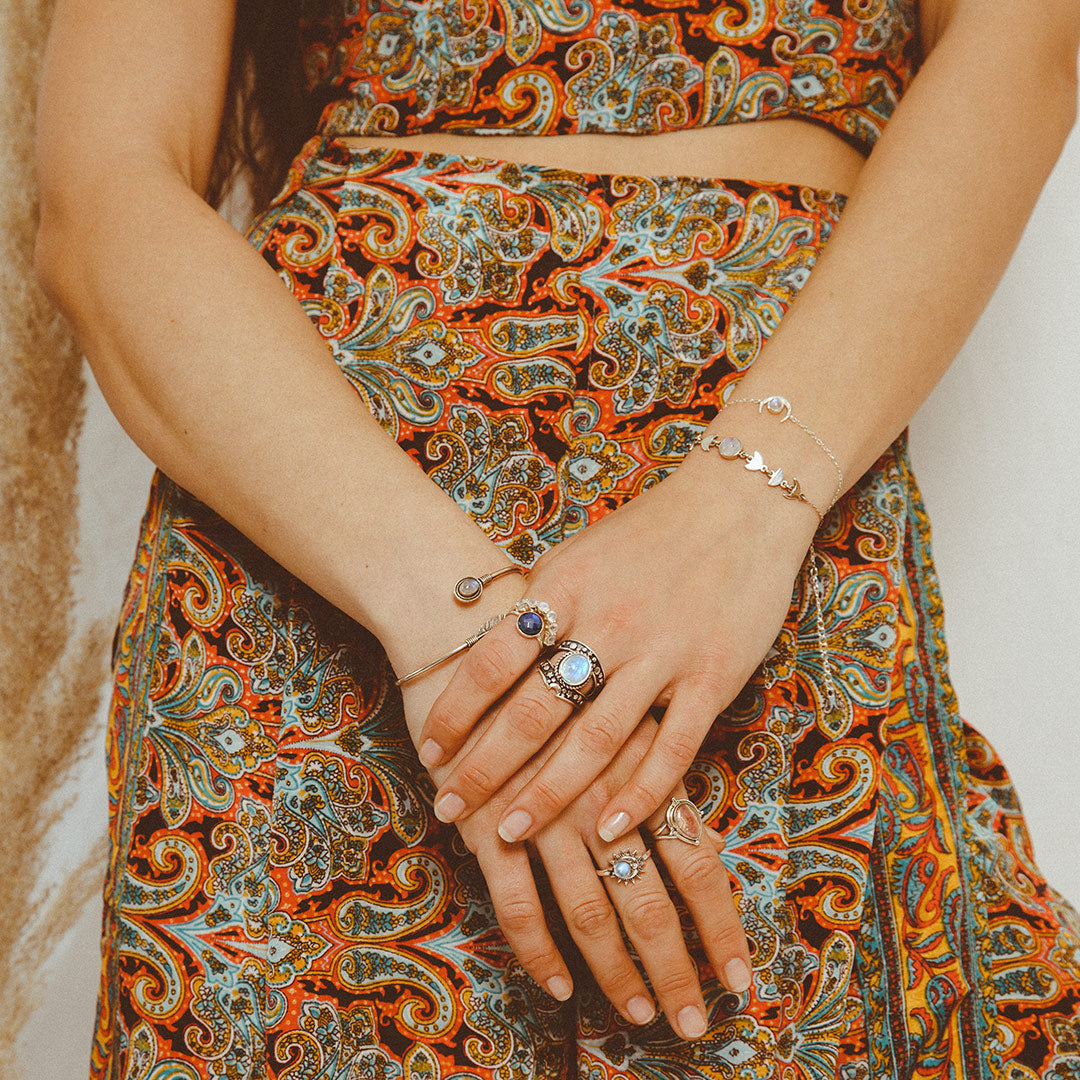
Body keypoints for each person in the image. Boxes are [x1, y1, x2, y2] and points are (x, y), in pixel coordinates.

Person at [33, 0, 1080, 1074]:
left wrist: (745, 499)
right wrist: (459, 627)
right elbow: (106, 189)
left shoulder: (751, 514)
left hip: (758, 503)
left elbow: (1021, 46)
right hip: (323, 515)